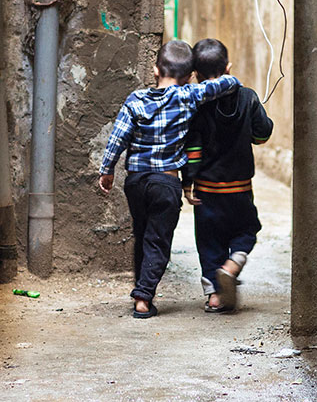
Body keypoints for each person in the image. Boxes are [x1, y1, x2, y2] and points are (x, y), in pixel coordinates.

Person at [98, 39, 240, 319]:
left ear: (154, 70)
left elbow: (118, 137)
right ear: (188, 77)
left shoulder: (135, 100)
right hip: (166, 183)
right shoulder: (188, 95)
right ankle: (143, 296)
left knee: (142, 235)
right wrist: (229, 74)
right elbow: (227, 85)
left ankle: (142, 289)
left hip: (136, 182)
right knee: (158, 240)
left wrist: (107, 169)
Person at [182, 38, 273, 313]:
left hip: (207, 190)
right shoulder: (248, 97)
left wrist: (188, 182)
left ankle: (214, 296)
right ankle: (232, 266)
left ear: (196, 74)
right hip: (240, 188)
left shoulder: (196, 104)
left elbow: (193, 148)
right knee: (247, 230)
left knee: (209, 242)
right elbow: (262, 134)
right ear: (229, 68)